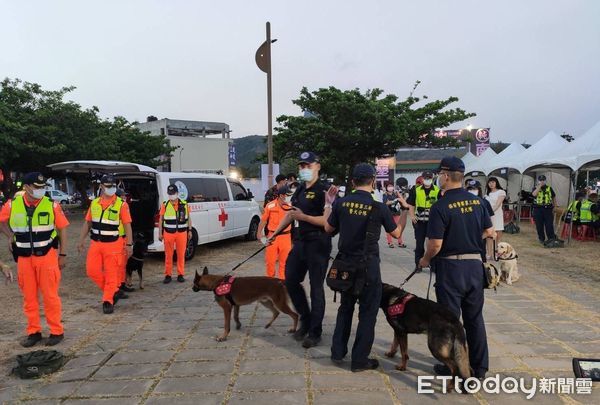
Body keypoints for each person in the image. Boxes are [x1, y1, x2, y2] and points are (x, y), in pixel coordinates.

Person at [419, 156, 494, 380]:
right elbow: (490, 233)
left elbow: (435, 244)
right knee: (475, 319)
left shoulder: (440, 206)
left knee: (451, 321)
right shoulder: (478, 202)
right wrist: (471, 240)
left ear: (446, 175)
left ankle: (453, 366)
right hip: (474, 267)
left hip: (451, 268)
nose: (438, 178)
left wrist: (424, 259)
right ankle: (480, 369)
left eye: (440, 174)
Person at [325, 163, 402, 372]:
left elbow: (328, 228)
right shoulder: (379, 207)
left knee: (345, 308)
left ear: (352, 182)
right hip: (369, 267)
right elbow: (396, 234)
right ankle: (359, 360)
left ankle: (337, 351)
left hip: (346, 266)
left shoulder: (341, 204)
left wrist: (329, 204)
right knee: (368, 313)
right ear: (374, 181)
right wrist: (404, 213)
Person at [268, 151, 336, 348]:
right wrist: (274, 234)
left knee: (316, 288)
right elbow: (291, 215)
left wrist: (304, 218)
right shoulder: (297, 190)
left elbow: (326, 222)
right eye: (301, 166)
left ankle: (315, 331)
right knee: (290, 280)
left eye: (307, 165)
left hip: (318, 243)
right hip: (300, 243)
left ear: (318, 166)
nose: (304, 169)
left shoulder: (326, 190)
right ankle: (305, 319)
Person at [0, 172, 69, 347]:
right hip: (23, 259)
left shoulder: (52, 205)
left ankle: (56, 331)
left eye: (43, 187)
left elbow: (62, 230)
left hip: (46, 257)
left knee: (50, 296)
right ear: (26, 187)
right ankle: (34, 332)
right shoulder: (12, 205)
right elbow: (1, 221)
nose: (40, 190)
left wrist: (62, 254)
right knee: (29, 297)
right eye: (37, 187)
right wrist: (10, 236)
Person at [77, 174, 133, 314]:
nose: (111, 188)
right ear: (101, 187)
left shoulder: (121, 204)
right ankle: (113, 291)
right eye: (108, 186)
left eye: (113, 186)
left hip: (113, 244)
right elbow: (88, 222)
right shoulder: (95, 203)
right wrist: (81, 240)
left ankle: (108, 301)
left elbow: (127, 225)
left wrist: (129, 244)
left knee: (111, 273)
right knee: (92, 271)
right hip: (96, 243)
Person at [158, 184, 192, 283]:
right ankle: (168, 275)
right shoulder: (165, 204)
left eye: (173, 193)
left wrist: (190, 230)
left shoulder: (184, 204)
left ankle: (180, 274)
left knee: (181, 254)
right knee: (168, 255)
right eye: (170, 194)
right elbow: (160, 219)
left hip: (182, 233)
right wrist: (160, 233)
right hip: (168, 233)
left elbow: (189, 218)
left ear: (177, 193)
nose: (171, 195)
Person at [257, 185, 293, 280]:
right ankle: (270, 283)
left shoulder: (291, 206)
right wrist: (259, 233)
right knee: (270, 262)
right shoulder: (270, 206)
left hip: (286, 237)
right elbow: (264, 220)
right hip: (272, 237)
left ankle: (283, 283)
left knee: (284, 263)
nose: (289, 196)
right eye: (287, 194)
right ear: (281, 195)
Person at [407, 170, 440, 271]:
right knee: (419, 244)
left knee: (433, 244)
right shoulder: (416, 190)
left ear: (432, 179)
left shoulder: (437, 190)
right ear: (422, 178)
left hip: (432, 222)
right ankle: (418, 265)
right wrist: (412, 216)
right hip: (420, 221)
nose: (427, 180)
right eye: (425, 178)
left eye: (429, 178)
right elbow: (411, 204)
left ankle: (434, 266)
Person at [382, 181, 409, 248]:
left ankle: (400, 242)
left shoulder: (395, 194)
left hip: (397, 213)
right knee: (389, 229)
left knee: (399, 228)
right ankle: (390, 242)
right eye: (389, 186)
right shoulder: (385, 195)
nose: (390, 187)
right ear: (386, 187)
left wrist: (398, 194)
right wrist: (394, 201)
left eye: (391, 186)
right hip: (389, 214)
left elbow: (402, 200)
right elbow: (386, 203)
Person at [531, 175, 557, 244]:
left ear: (545, 180)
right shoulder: (535, 188)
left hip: (547, 208)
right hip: (538, 209)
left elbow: (554, 197)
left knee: (549, 224)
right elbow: (534, 194)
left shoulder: (549, 188)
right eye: (540, 180)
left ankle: (551, 238)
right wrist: (539, 186)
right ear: (538, 181)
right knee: (539, 225)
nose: (542, 181)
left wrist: (555, 206)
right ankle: (541, 239)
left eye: (543, 180)